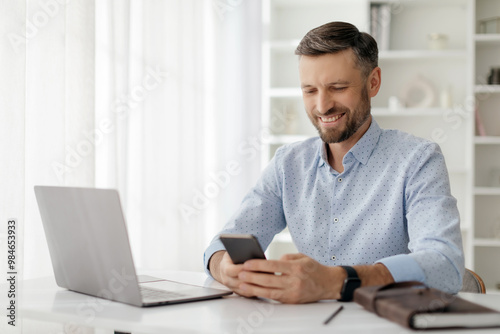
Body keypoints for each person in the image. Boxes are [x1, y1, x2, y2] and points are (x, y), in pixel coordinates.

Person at [203, 21, 464, 304]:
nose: (322, 106)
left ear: (373, 82)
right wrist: (225, 268)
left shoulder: (418, 159)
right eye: (310, 90)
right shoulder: (288, 165)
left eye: (337, 87)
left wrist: (336, 281)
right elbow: (222, 243)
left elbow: (445, 265)